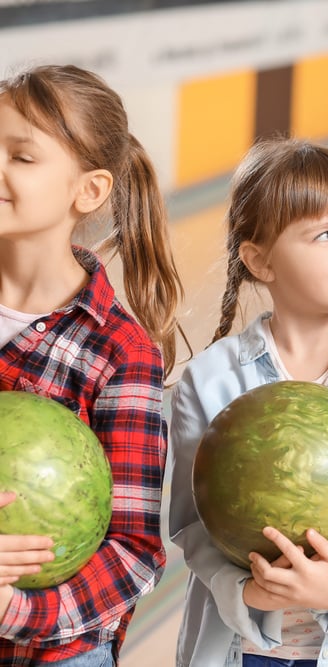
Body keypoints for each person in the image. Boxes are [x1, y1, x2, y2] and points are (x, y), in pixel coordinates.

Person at [168, 138, 328, 667]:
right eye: (326, 235)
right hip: (242, 648)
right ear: (259, 260)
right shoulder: (208, 379)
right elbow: (192, 525)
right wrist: (246, 592)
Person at [0, 64, 184, 665]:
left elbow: (133, 552)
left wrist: (16, 612)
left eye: (21, 157)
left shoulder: (119, 351)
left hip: (54, 650)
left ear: (90, 190)